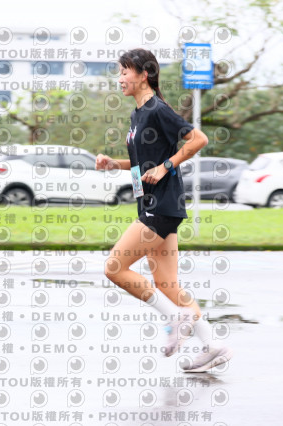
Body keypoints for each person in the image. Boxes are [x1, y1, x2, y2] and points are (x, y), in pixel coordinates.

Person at [96, 48, 234, 373]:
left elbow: (198, 139)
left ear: (143, 74)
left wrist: (165, 167)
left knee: (114, 268)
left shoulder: (157, 109)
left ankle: (175, 317)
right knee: (167, 285)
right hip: (155, 204)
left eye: (124, 72)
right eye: (119, 73)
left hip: (160, 205)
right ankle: (213, 345)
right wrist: (114, 164)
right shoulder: (138, 114)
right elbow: (144, 162)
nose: (120, 79)